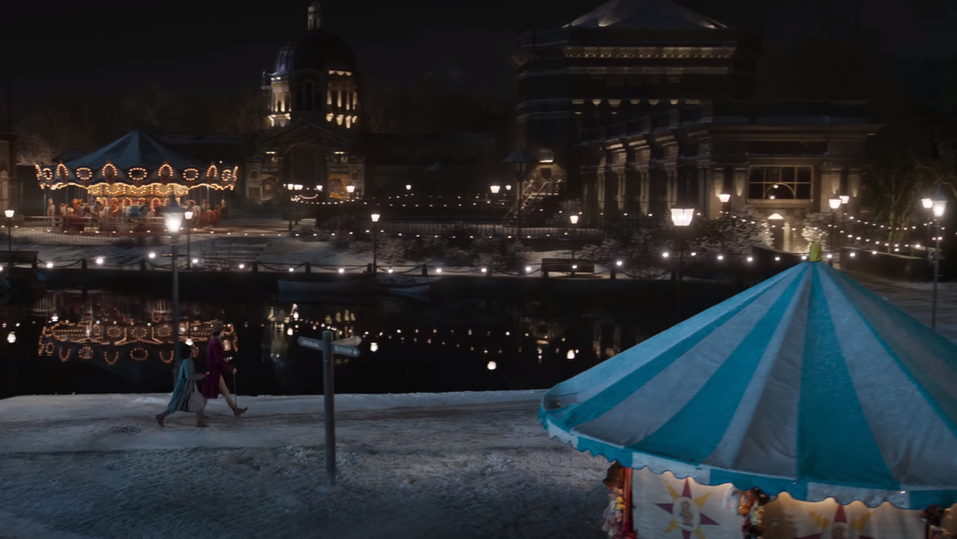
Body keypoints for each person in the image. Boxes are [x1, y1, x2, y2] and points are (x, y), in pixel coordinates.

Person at [156, 343, 209, 428]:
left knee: (197, 402)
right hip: (186, 387)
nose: (193, 352)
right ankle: (161, 416)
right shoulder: (188, 361)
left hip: (187, 386)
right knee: (180, 404)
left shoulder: (184, 361)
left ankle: (201, 421)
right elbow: (188, 375)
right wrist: (200, 376)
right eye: (191, 351)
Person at [201, 321, 247, 417]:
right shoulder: (216, 342)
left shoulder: (212, 341)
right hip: (215, 371)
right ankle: (235, 409)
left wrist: (223, 360)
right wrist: (231, 368)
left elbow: (215, 358)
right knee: (210, 392)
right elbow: (218, 359)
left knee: (211, 391)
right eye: (222, 331)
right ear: (220, 332)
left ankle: (235, 409)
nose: (223, 333)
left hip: (213, 370)